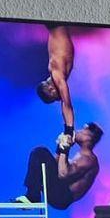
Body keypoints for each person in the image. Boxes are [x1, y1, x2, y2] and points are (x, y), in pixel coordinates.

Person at [20, 123, 104, 210]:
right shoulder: (82, 155)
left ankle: (32, 198)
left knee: (40, 152)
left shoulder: (88, 159)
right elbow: (57, 164)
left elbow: (63, 174)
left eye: (82, 131)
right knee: (40, 157)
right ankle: (32, 196)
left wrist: (65, 148)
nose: (78, 131)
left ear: (88, 138)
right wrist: (60, 146)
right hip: (60, 189)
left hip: (62, 196)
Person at [36, 24, 76, 154]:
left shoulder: (56, 74)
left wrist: (69, 131)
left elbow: (66, 104)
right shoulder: (58, 76)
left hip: (56, 24)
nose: (59, 98)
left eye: (55, 98)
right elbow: (64, 103)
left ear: (51, 90)